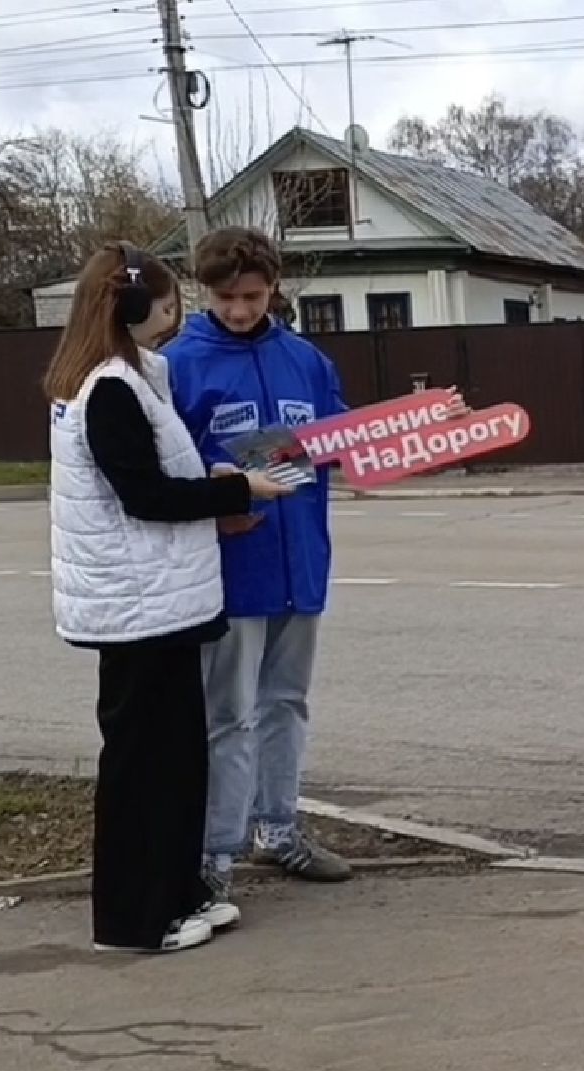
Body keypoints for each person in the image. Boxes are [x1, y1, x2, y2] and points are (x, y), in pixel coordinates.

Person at [44, 242, 292, 953]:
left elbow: (161, 470)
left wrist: (214, 476)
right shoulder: (109, 389)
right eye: (167, 303)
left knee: (179, 759)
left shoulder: (138, 376)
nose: (174, 315)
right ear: (132, 307)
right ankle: (135, 920)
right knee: (141, 771)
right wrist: (236, 488)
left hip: (165, 603)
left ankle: (181, 894)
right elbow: (145, 495)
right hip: (135, 609)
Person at [164, 227, 356, 899]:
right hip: (231, 569)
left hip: (300, 562)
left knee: (287, 702)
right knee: (229, 715)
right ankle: (216, 851)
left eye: (251, 296)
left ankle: (278, 827)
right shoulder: (179, 364)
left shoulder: (306, 359)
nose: (240, 310)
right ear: (203, 291)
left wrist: (414, 433)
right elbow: (169, 468)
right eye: (225, 297)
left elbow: (342, 442)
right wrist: (215, 503)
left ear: (273, 287)